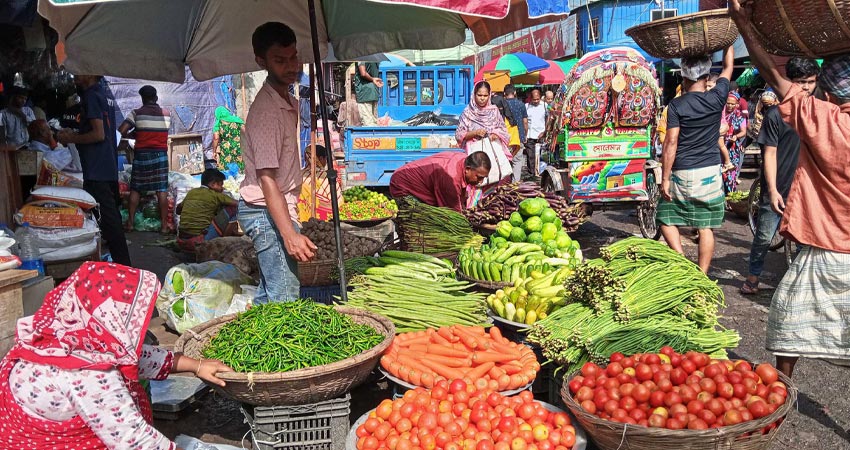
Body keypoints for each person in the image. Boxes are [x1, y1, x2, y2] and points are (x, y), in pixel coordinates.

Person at [730, 0, 850, 378]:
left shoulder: (825, 120)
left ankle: (782, 386)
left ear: (827, 95)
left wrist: (741, 21)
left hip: (830, 250)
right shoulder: (826, 117)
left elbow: (771, 73)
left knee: (786, 324)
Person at [0, 261, 230, 449]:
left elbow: (136, 357)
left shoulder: (66, 330)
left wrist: (197, 365)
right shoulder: (88, 373)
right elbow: (136, 441)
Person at [239, 22, 317, 305]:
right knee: (284, 299)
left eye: (294, 57)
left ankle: (247, 346)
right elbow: (267, 179)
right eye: (280, 60)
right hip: (265, 209)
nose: (291, 66)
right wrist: (290, 236)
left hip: (277, 206)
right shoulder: (267, 111)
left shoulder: (286, 99)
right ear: (262, 62)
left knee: (271, 295)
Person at [656, 46, 734, 274]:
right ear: (707, 77)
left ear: (683, 76)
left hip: (682, 170)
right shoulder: (718, 97)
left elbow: (671, 143)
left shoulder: (677, 105)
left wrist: (665, 178)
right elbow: (728, 67)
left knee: (665, 217)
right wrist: (728, 43)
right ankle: (701, 273)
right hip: (710, 171)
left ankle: (680, 259)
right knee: (706, 226)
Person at [740, 73, 810, 295]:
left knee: (802, 241)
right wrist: (772, 190)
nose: (806, 88)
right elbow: (768, 154)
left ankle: (797, 284)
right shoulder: (775, 115)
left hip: (804, 190)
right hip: (777, 187)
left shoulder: (816, 113)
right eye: (801, 83)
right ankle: (753, 276)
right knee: (763, 237)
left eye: (811, 82)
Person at [58, 75, 132, 267]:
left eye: (79, 71)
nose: (75, 75)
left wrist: (71, 138)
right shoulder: (103, 94)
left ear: (90, 73)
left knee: (108, 220)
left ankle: (124, 267)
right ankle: (117, 264)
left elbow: (98, 134)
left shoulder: (91, 95)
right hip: (106, 165)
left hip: (97, 167)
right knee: (108, 218)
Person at [118, 85, 171, 234]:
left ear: (142, 98)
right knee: (161, 189)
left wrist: (135, 132)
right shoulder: (167, 114)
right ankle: (164, 227)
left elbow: (121, 131)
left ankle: (130, 223)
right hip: (160, 155)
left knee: (136, 188)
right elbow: (156, 131)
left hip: (142, 155)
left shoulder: (136, 113)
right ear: (156, 98)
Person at [389, 151, 492, 212]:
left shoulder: (464, 159)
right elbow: (452, 212)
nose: (480, 181)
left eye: (484, 178)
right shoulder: (451, 178)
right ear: (467, 169)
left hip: (418, 182)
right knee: (418, 223)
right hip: (403, 185)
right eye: (478, 177)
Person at [176, 168, 239, 253]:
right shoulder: (216, 195)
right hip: (201, 241)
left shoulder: (192, 192)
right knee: (233, 209)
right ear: (213, 184)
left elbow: (178, 210)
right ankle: (222, 245)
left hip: (182, 239)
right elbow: (237, 204)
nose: (222, 188)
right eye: (220, 185)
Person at [456, 81, 510, 150]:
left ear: (489, 95)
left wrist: (495, 134)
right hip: (473, 152)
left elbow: (503, 130)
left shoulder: (494, 111)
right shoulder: (468, 113)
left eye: (485, 95)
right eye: (479, 95)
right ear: (474, 94)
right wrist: (475, 133)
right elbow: (459, 135)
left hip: (492, 150)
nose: (482, 98)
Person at [721, 92, 748, 192]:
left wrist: (736, 136)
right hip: (719, 146)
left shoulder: (740, 116)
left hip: (731, 148)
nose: (730, 106)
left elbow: (743, 132)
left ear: (737, 104)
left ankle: (729, 196)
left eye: (733, 104)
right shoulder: (720, 114)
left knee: (730, 172)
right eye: (728, 103)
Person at [503, 84, 528, 182]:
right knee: (517, 161)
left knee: (505, 161)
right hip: (519, 137)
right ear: (515, 93)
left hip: (504, 138)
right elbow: (525, 121)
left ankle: (505, 183)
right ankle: (515, 184)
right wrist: (525, 134)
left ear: (504, 94)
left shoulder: (502, 104)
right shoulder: (521, 104)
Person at [211, 106, 245, 172]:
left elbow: (216, 138)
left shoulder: (218, 123)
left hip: (226, 148)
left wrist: (214, 151)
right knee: (240, 165)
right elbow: (246, 132)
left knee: (226, 168)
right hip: (239, 146)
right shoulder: (237, 120)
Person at [525, 88, 547, 178]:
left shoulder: (545, 105)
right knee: (530, 156)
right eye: (534, 99)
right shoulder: (526, 106)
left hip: (541, 134)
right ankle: (532, 174)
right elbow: (525, 121)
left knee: (542, 155)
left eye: (538, 99)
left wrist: (545, 132)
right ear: (531, 98)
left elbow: (549, 119)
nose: (536, 101)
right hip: (530, 134)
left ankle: (541, 173)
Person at [354, 61, 383, 126]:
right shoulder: (374, 59)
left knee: (367, 123)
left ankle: (369, 136)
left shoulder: (361, 56)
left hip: (364, 92)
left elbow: (363, 73)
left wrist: (372, 79)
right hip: (374, 92)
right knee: (374, 121)